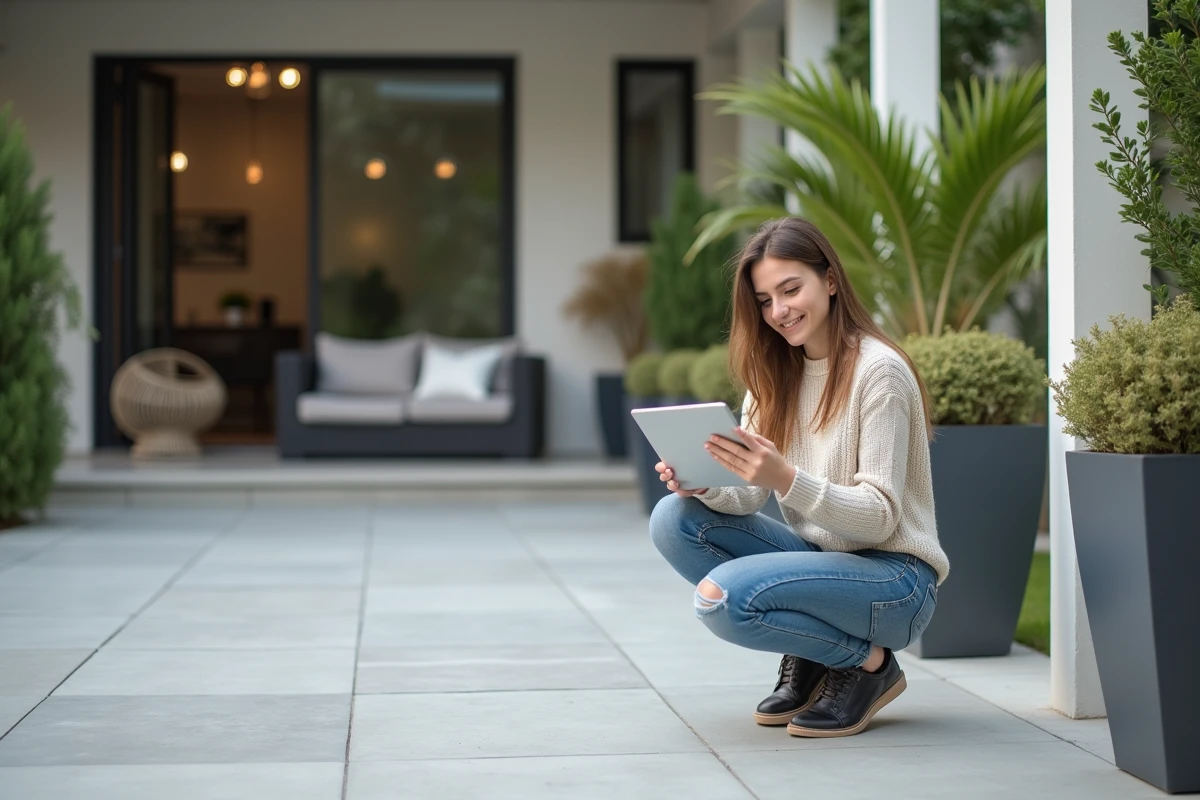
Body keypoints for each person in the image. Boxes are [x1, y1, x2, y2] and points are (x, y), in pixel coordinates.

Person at [649, 217, 949, 739]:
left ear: (830, 280)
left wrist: (786, 478)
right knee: (674, 519)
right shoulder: (773, 376)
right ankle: (818, 659)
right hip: (823, 564)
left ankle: (870, 666)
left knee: (723, 600)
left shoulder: (879, 372)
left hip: (896, 582)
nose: (779, 311)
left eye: (791, 290)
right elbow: (748, 496)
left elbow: (879, 520)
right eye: (765, 300)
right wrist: (703, 484)